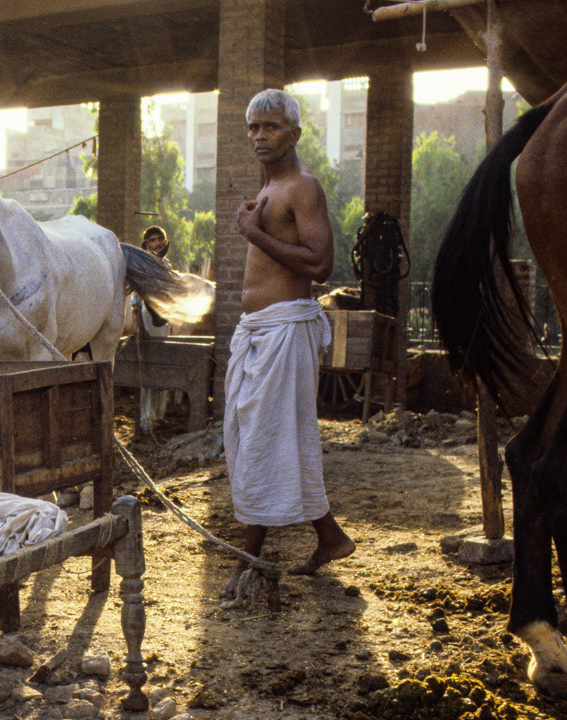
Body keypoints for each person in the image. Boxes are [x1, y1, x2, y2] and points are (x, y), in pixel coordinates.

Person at [221, 89, 354, 598]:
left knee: (263, 441)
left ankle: (247, 562)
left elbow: (321, 266)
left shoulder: (303, 187)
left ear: (294, 134)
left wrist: (254, 234)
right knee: (266, 439)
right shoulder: (272, 185)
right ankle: (331, 538)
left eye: (271, 127)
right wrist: (254, 229)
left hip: (286, 329)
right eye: (253, 127)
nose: (259, 136)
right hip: (258, 330)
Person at [133, 226, 172, 433]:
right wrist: (140, 327)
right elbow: (135, 300)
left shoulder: (166, 265)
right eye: (151, 241)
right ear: (146, 245)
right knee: (147, 369)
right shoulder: (141, 264)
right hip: (147, 320)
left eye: (159, 240)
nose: (156, 244)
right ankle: (146, 420)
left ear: (165, 243)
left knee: (162, 367)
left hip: (164, 319)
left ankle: (159, 416)